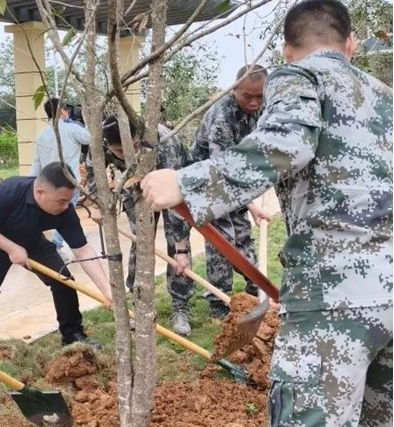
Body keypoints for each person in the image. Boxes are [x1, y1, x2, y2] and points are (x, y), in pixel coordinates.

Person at [140, 0, 392, 427]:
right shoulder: (385, 94)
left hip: (332, 300)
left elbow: (287, 144)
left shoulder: (299, 76)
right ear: (351, 43)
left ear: (287, 50)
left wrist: (184, 182)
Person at [0, 162, 113, 377]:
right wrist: (11, 247)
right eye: (61, 201)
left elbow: (82, 251)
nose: (66, 206)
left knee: (64, 281)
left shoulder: (64, 210)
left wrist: (107, 291)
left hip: (32, 242)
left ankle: (72, 334)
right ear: (40, 192)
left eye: (69, 200)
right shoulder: (9, 191)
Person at [86, 115, 195, 336]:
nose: (129, 155)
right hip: (136, 184)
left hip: (174, 181)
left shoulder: (163, 142)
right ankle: (140, 307)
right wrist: (97, 201)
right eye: (120, 151)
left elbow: (177, 203)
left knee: (177, 244)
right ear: (108, 145)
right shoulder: (98, 143)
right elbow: (92, 172)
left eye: (134, 147)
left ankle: (180, 307)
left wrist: (182, 248)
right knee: (141, 243)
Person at [189, 64, 273, 318]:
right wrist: (251, 205)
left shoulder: (263, 110)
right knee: (222, 242)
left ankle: (256, 293)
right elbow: (221, 168)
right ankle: (219, 303)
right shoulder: (221, 117)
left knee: (243, 237)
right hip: (209, 182)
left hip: (235, 183)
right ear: (235, 89)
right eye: (248, 96)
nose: (254, 102)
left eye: (260, 96)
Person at [30, 98, 91, 258]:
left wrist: (32, 183)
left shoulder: (42, 135)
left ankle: (66, 241)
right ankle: (56, 246)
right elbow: (91, 138)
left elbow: (36, 162)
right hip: (69, 182)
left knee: (55, 215)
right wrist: (87, 120)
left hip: (48, 184)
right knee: (65, 215)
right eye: (66, 110)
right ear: (62, 111)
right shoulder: (71, 129)